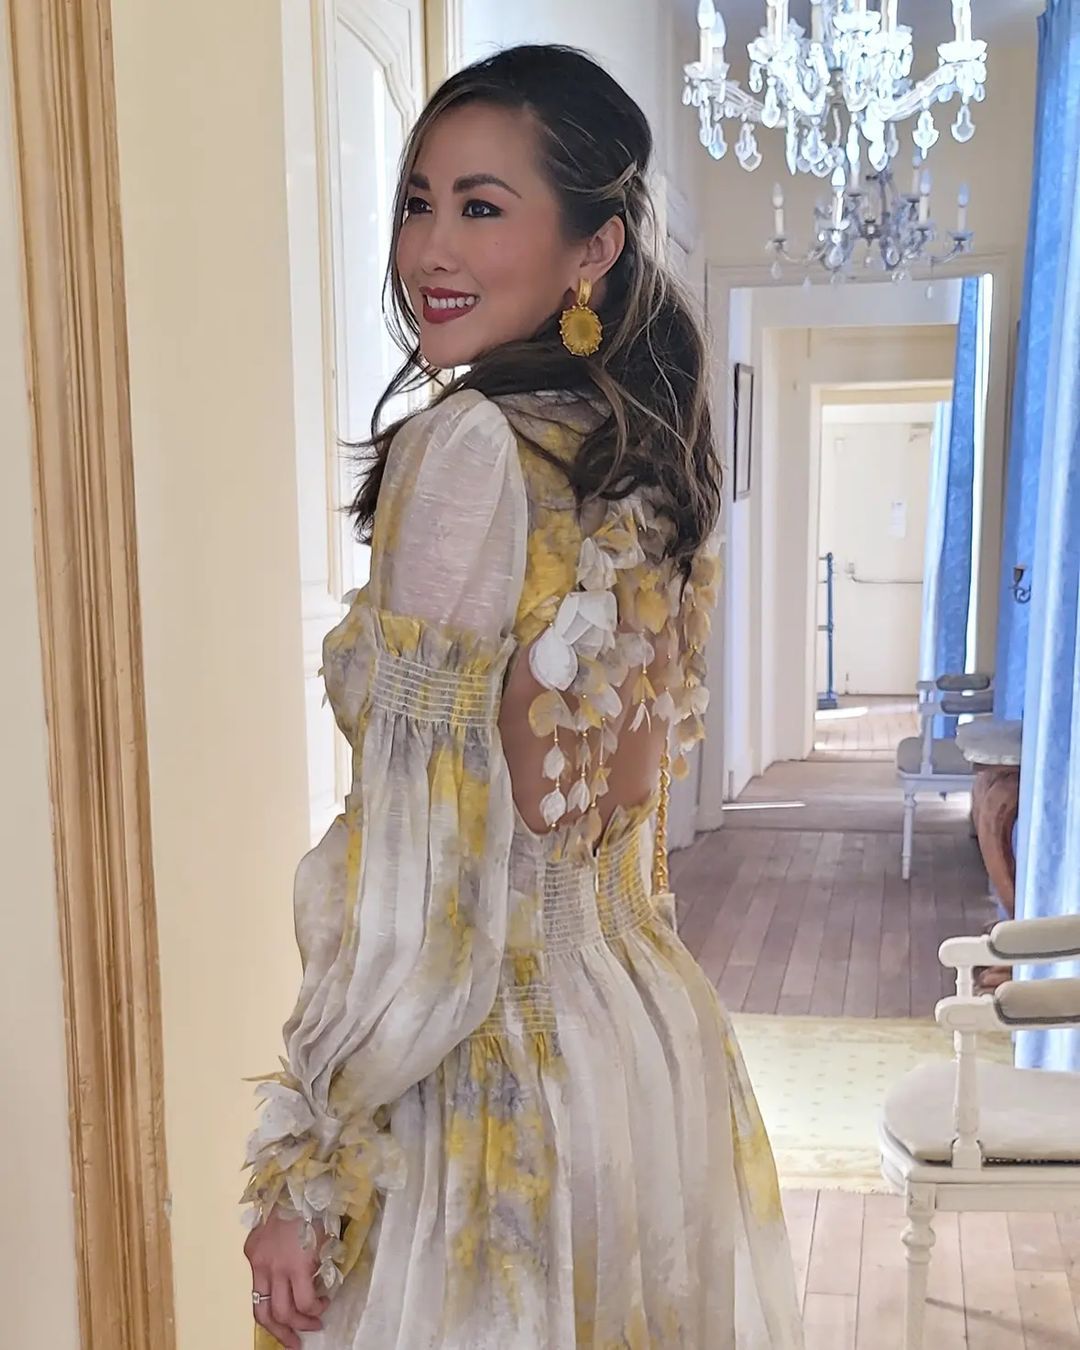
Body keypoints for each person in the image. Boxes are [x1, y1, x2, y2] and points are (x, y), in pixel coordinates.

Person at [242, 43, 805, 1350]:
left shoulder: (469, 449)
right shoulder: (644, 458)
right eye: (417, 202)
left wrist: (312, 1153)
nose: (430, 249)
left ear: (592, 248)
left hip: (489, 1086)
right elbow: (624, 817)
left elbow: (420, 873)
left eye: (482, 206)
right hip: (644, 1045)